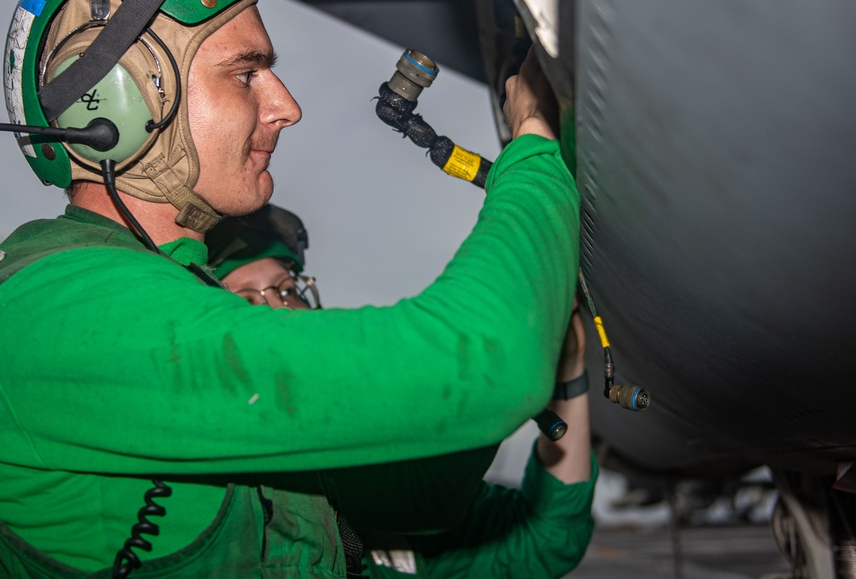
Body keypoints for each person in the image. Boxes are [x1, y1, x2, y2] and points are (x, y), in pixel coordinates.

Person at [0, 0, 581, 578]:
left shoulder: (143, 298)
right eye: (246, 73)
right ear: (117, 103)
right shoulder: (53, 313)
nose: (287, 107)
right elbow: (487, 362)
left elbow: (416, 501)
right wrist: (532, 146)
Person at [213, 205, 597, 578]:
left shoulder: (384, 482)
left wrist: (570, 368)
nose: (280, 311)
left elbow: (544, 541)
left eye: (284, 289)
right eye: (244, 300)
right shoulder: (205, 499)